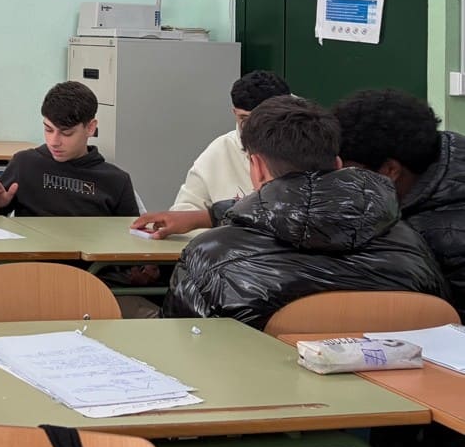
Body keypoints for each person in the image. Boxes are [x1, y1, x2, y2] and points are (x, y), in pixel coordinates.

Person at [161, 95, 448, 329]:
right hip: (401, 385)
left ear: (257, 168)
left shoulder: (211, 254)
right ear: (338, 164)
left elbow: (182, 344)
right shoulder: (410, 245)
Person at [334, 88, 465, 318]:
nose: (340, 182)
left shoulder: (442, 238)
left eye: (348, 172)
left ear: (390, 170)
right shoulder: (447, 149)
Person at [0, 81, 138, 217]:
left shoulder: (116, 181)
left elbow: (130, 237)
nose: (54, 142)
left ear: (90, 128)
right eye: (48, 129)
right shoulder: (24, 164)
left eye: (66, 133)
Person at [166, 70, 291, 211]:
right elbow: (184, 210)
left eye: (263, 119)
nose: (253, 128)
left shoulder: (306, 148)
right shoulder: (219, 151)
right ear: (235, 113)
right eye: (244, 119)